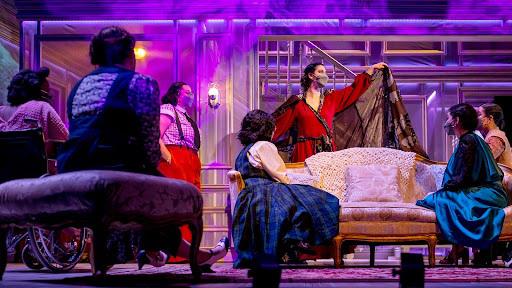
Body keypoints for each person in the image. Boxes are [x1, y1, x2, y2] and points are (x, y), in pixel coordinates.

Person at [56, 26, 227, 271]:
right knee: (161, 193)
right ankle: (185, 253)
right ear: (130, 56)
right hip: (113, 166)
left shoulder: (79, 87)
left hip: (73, 168)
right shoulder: (140, 83)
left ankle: (157, 251)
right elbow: (149, 144)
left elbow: (79, 131)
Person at [233, 109, 340, 268]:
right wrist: (296, 188)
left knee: (295, 206)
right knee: (318, 200)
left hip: (248, 197)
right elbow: (279, 174)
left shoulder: (244, 150)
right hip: (265, 191)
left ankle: (290, 248)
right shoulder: (264, 145)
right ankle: (292, 245)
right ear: (266, 128)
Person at [416, 103, 508, 265]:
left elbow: (463, 176)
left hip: (488, 193)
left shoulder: (468, 141)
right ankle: (458, 248)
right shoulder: (472, 139)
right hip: (487, 191)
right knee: (444, 199)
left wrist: (444, 190)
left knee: (437, 200)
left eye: (450, 118)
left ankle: (459, 247)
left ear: (457, 120)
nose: (448, 122)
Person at [272, 62, 387, 162]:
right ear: (311, 75)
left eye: (325, 72)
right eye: (321, 72)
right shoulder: (297, 103)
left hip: (326, 151)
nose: (325, 75)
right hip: (304, 150)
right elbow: (278, 125)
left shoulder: (331, 98)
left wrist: (370, 71)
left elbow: (353, 90)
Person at [158, 82, 201, 263]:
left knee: (190, 206)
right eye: (187, 92)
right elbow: (156, 134)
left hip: (189, 159)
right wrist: (168, 156)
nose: (191, 95)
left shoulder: (186, 115)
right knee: (176, 203)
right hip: (175, 156)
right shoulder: (168, 108)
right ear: (177, 93)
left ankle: (188, 250)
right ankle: (173, 251)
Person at [0, 67, 68, 141]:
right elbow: (65, 139)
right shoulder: (42, 107)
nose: (48, 96)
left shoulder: (1, 111)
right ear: (38, 91)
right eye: (46, 93)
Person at [478, 103, 512, 167]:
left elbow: (484, 161)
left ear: (490, 118)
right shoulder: (492, 135)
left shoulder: (495, 137)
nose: (477, 118)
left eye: (479, 114)